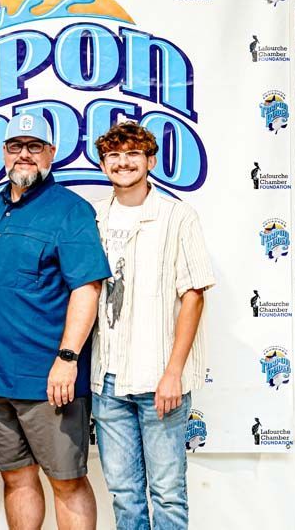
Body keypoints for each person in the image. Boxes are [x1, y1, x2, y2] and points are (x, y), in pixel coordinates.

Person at [0, 113, 110, 530]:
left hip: (49, 380)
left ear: (51, 153)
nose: (25, 155)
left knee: (66, 481)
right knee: (16, 478)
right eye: (16, 146)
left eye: (35, 147)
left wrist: (67, 358)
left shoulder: (70, 210)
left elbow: (88, 288)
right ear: (3, 153)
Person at [90, 122, 216, 530]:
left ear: (150, 161)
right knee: (124, 495)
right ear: (104, 163)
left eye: (132, 154)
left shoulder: (177, 216)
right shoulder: (96, 219)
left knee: (167, 493)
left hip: (159, 378)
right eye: (113, 156)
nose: (122, 162)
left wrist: (173, 373)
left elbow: (193, 295)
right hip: (107, 382)